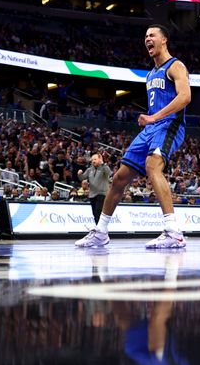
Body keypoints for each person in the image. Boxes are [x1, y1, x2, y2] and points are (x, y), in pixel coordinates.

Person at [75, 24, 190, 249]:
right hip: (150, 128)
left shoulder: (176, 66)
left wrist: (153, 117)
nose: (147, 39)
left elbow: (185, 97)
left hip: (169, 125)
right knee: (119, 178)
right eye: (145, 36)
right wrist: (150, 120)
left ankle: (173, 232)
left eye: (152, 35)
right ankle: (100, 232)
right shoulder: (149, 74)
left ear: (164, 39)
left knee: (152, 165)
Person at [77, 153, 111, 224]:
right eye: (92, 160)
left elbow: (109, 173)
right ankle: (98, 227)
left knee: (98, 211)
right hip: (92, 194)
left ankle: (99, 228)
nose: (93, 161)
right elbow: (82, 178)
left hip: (102, 193)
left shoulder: (104, 168)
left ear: (100, 159)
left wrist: (103, 164)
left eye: (95, 159)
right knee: (94, 213)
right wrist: (79, 174)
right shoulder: (89, 169)